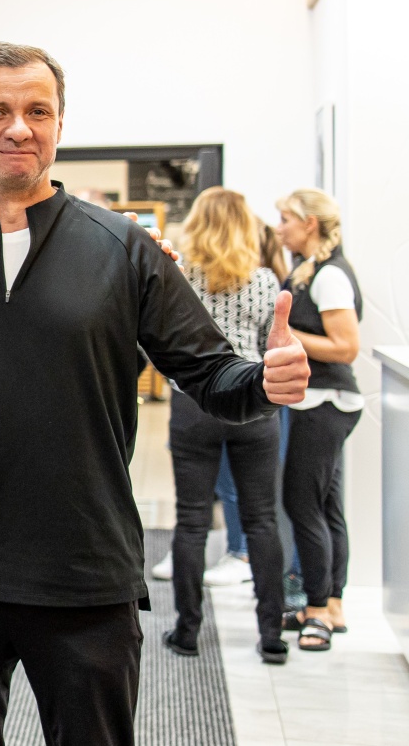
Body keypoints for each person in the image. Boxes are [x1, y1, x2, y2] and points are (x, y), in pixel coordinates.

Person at [0, 43, 310, 745]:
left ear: (60, 124)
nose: (19, 127)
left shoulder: (123, 248)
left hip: (84, 572)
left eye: (38, 111)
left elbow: (211, 373)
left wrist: (264, 381)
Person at [160, 187, 288, 664]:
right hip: (253, 400)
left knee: (192, 519)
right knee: (262, 519)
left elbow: (162, 344)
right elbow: (269, 344)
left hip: (193, 403)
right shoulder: (264, 279)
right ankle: (271, 634)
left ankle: (187, 630)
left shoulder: (179, 276)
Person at [276, 187, 362, 652]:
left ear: (310, 223)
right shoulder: (309, 269)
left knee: (302, 504)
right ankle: (331, 604)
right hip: (321, 403)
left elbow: (346, 347)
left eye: (286, 220)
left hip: (325, 403)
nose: (280, 229)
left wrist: (287, 333)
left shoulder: (329, 276)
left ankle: (317, 611)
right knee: (326, 506)